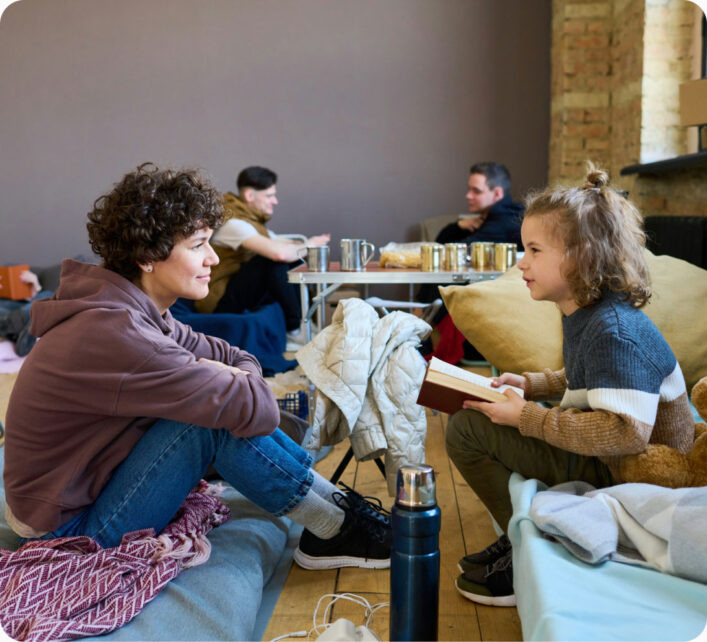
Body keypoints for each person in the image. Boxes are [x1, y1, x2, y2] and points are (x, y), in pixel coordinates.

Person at [3, 163, 389, 572]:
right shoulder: (116, 331)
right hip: (70, 531)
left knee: (224, 404)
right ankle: (336, 526)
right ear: (148, 256)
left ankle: (334, 510)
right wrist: (227, 379)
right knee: (212, 420)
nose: (213, 257)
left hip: (83, 491)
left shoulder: (136, 308)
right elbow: (258, 407)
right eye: (198, 244)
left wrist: (225, 374)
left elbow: (238, 357)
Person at [445, 164, 694, 607]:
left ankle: (528, 549)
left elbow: (626, 432)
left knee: (467, 430)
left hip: (631, 470)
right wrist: (531, 384)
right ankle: (523, 537)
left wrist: (527, 417)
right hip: (613, 458)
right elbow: (585, 375)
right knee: (473, 416)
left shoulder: (612, 330)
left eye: (534, 250)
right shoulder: (585, 311)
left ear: (580, 256)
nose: (522, 262)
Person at [195, 166, 329, 345]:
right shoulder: (234, 223)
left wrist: (302, 246)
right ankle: (294, 328)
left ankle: (305, 321)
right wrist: (311, 244)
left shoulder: (250, 220)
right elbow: (278, 253)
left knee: (291, 259)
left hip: (234, 290)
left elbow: (280, 244)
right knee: (271, 262)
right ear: (250, 196)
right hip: (218, 299)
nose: (275, 201)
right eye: (269, 196)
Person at [434, 161, 524, 247]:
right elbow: (439, 244)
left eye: (476, 191)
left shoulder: (505, 221)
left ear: (497, 194)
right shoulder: (488, 218)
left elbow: (451, 252)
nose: (468, 195)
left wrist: (456, 226)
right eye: (469, 189)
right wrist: (459, 225)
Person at [0, 269, 52, 356]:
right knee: (43, 304)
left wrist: (36, 286)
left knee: (49, 294)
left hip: (25, 309)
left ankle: (28, 327)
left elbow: (39, 299)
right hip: (9, 315)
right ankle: (31, 326)